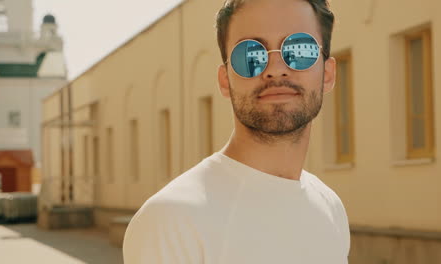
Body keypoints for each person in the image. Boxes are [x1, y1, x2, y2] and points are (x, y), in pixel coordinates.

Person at [123, 0, 350, 263]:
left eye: (300, 49)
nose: (275, 69)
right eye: (250, 54)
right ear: (224, 80)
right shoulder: (172, 221)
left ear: (328, 74)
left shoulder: (330, 208)